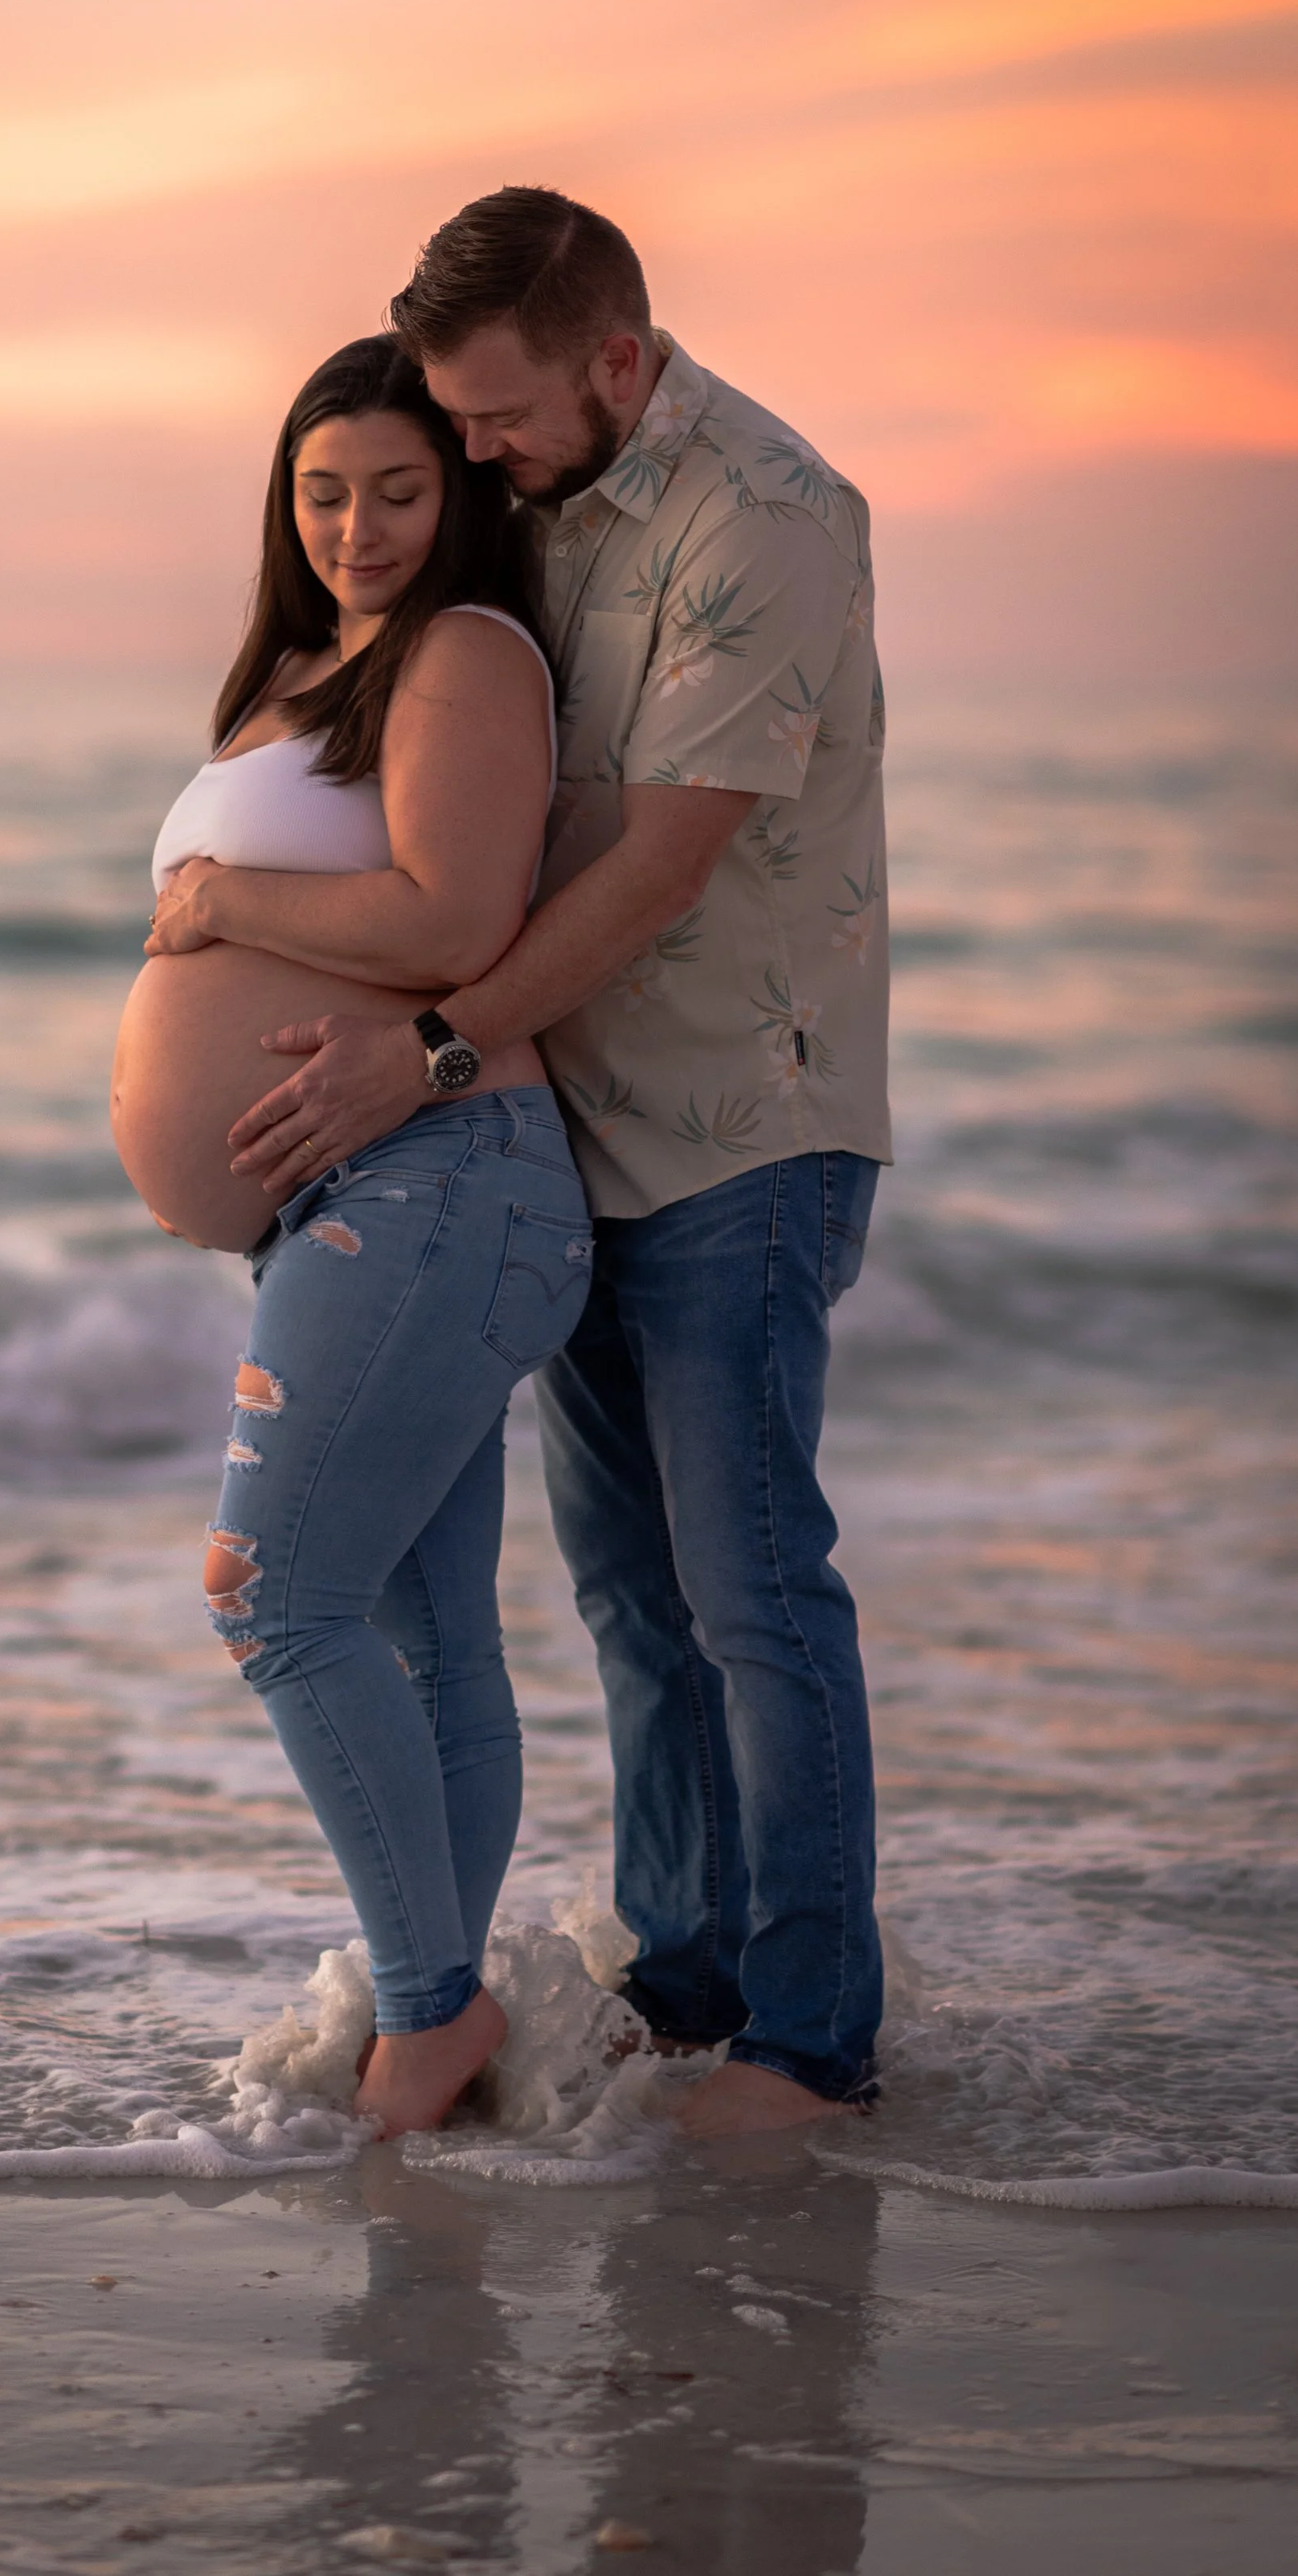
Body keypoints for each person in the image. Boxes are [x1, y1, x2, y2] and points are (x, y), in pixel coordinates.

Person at [225, 190, 892, 2140]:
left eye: (498, 420)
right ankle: (683, 1985)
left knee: (753, 1589)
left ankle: (807, 2045)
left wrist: (425, 1059)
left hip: (737, 1127)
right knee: (626, 1600)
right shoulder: (549, 500)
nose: (476, 456)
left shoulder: (759, 517)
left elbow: (655, 866)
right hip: (572, 1132)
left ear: (615, 359)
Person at [111, 334, 593, 2137]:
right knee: (420, 1633)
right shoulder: (313, 668)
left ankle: (425, 2020)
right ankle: (443, 2028)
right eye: (323, 491)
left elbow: (457, 913)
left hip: (439, 1178)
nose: (358, 524)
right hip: (372, 1198)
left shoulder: (463, 653)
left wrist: (226, 897)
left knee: (273, 1598)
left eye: (398, 487)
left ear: (455, 491)